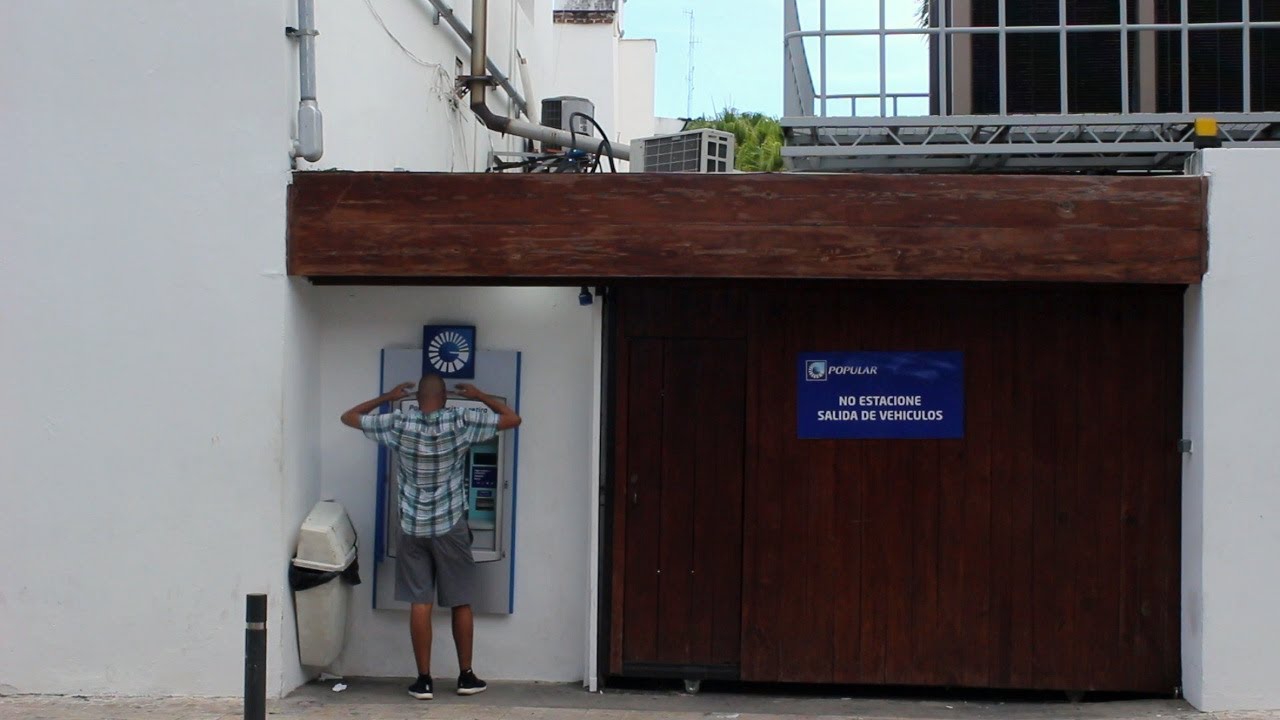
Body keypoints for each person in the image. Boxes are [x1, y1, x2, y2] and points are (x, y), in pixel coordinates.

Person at [340, 373, 521, 700]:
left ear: (418, 398)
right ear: (445, 399)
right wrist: (480, 394)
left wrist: (387, 397)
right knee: (460, 601)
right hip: (450, 525)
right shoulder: (460, 421)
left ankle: (423, 681)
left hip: (412, 527)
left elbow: (349, 417)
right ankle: (466, 677)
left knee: (420, 602)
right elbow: (513, 419)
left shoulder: (399, 423)